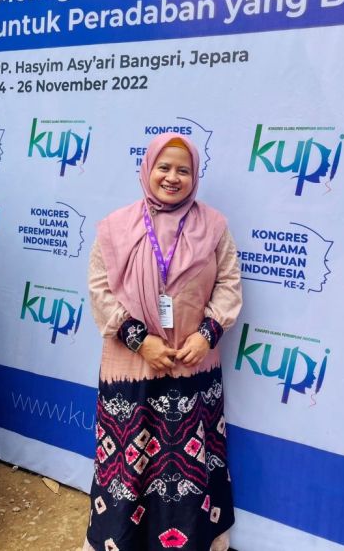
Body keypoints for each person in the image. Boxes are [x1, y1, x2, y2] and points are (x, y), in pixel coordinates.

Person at [83, 133, 242, 551]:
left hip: (192, 364)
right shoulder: (116, 227)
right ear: (147, 169)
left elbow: (229, 283)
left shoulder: (214, 227)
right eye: (164, 167)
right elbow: (100, 290)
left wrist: (207, 336)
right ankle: (120, 540)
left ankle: (192, 539)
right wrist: (141, 341)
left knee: (188, 466)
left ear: (195, 175)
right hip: (132, 367)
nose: (173, 177)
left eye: (183, 170)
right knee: (128, 463)